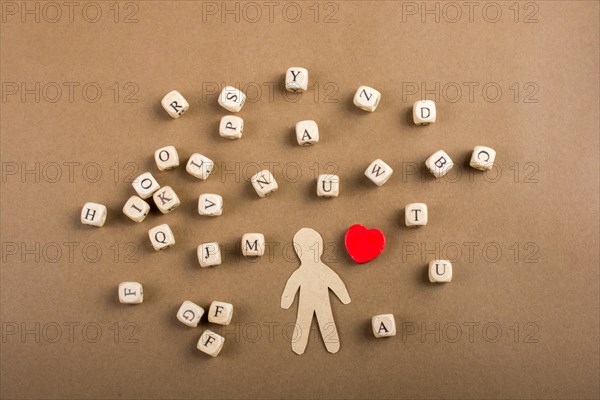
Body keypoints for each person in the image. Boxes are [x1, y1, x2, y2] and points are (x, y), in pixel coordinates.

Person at [281, 228, 351, 354]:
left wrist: (344, 297)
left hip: (320, 302)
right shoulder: (305, 272)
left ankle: (331, 345)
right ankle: (300, 346)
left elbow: (336, 283)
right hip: (306, 303)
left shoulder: (316, 271)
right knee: (304, 321)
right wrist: (286, 301)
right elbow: (292, 285)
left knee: (325, 320)